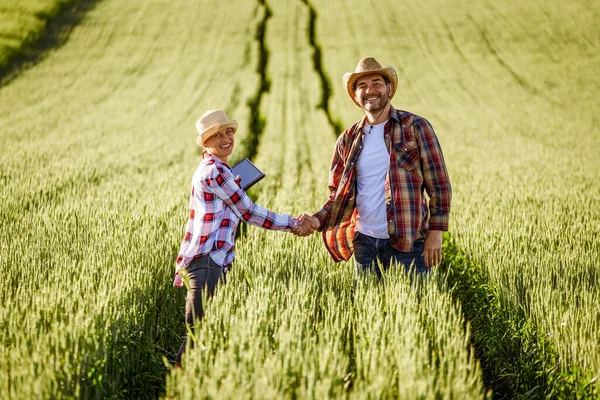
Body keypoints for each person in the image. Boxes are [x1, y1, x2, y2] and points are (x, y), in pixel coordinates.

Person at [173, 109, 311, 366]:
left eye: (229, 132)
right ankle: (176, 386)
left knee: (204, 331)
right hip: (206, 262)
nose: (226, 138)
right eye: (217, 135)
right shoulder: (215, 172)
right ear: (205, 142)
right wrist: (293, 223)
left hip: (211, 260)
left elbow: (231, 209)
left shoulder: (217, 170)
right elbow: (249, 212)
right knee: (198, 333)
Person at [301, 57, 452, 278]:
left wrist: (436, 233)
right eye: (362, 85)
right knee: (369, 310)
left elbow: (439, 184)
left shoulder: (416, 127)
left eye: (376, 83)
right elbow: (338, 193)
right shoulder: (347, 139)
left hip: (409, 243)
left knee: (416, 309)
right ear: (355, 96)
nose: (370, 90)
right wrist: (316, 219)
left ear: (389, 89)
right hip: (365, 244)